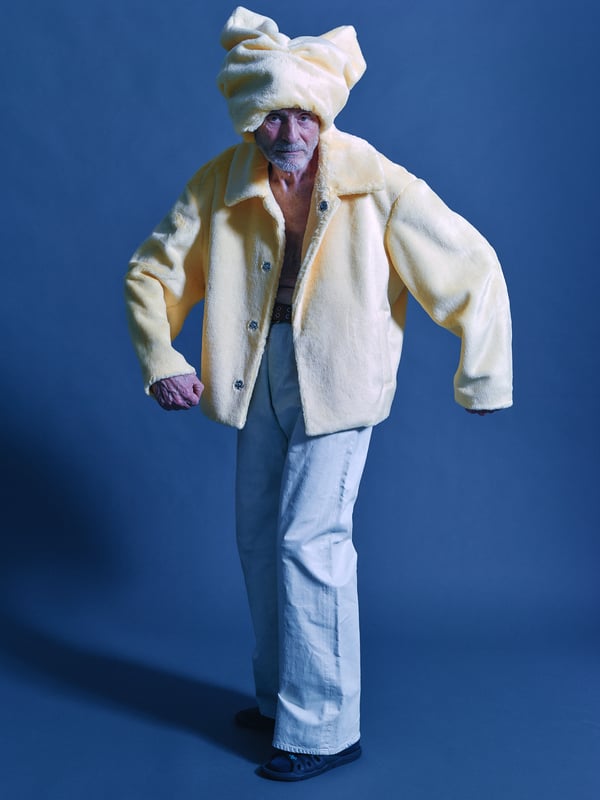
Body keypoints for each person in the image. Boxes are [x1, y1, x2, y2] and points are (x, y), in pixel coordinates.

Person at [125, 6, 512, 782]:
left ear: (325, 114)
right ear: (252, 119)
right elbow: (153, 271)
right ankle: (282, 698)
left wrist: (483, 372)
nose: (291, 132)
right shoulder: (220, 183)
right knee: (258, 537)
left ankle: (324, 729)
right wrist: (161, 355)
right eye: (275, 116)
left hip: (341, 377)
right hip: (255, 369)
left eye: (305, 115)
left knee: (311, 540)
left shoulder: (378, 182)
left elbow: (470, 266)